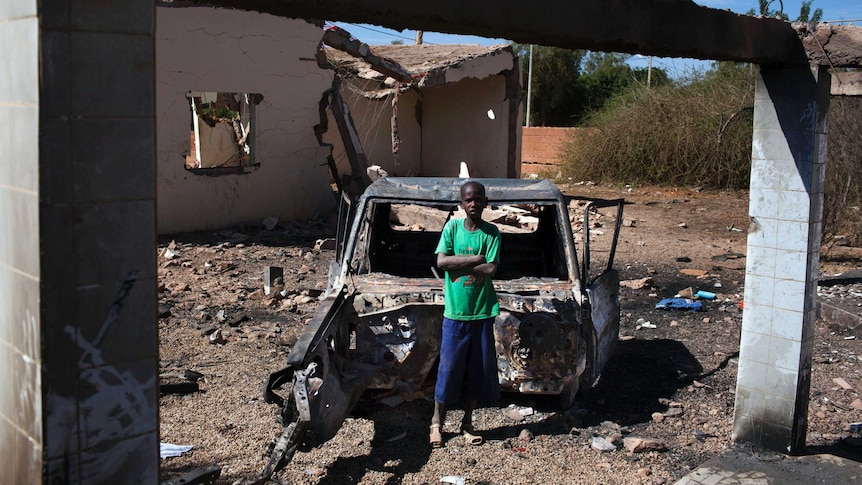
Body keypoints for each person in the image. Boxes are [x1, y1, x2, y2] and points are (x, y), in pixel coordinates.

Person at [429, 181, 501, 448]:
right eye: (468, 200)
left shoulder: (492, 232)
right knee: (447, 370)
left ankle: (467, 424)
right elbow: (441, 262)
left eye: (478, 199)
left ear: (485, 201)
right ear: (461, 204)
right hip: (455, 313)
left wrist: (457, 263)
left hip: (482, 312)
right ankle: (436, 423)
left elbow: (492, 269)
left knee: (476, 371)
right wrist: (474, 260)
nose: (473, 204)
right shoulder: (452, 227)